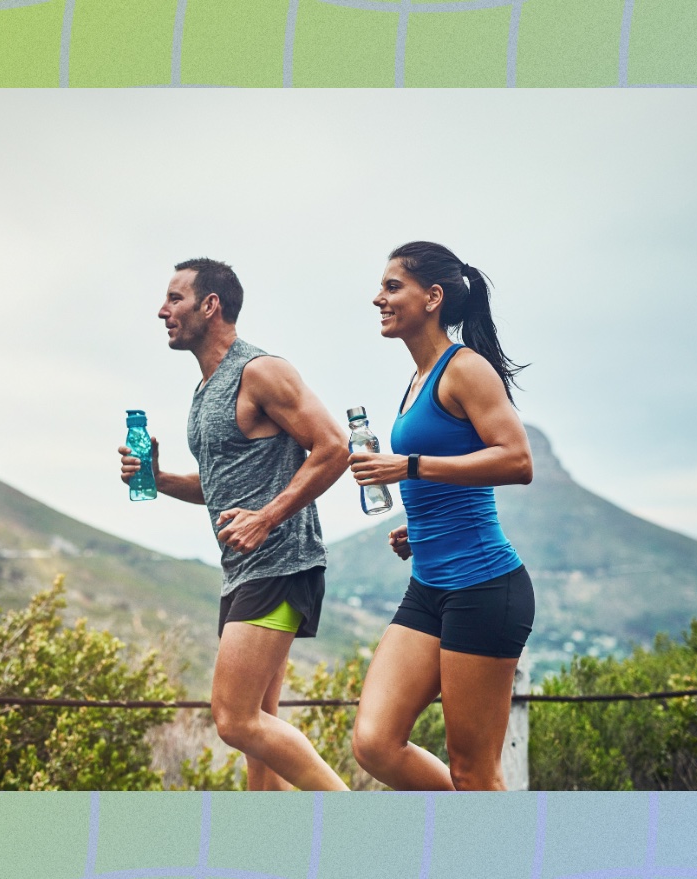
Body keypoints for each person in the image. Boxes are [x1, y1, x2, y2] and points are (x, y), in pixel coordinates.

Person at [119, 257, 349, 791]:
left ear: (210, 305)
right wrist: (160, 478)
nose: (162, 311)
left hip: (279, 562)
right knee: (258, 741)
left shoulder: (260, 371)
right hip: (244, 569)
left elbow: (333, 448)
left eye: (174, 299)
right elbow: (220, 485)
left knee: (234, 719)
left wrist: (268, 518)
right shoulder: (205, 391)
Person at [348, 240, 535, 791]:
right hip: (429, 583)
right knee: (375, 743)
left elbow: (516, 459)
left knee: (475, 770)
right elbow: (455, 467)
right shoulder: (416, 380)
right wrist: (422, 527)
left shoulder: (465, 369)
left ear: (432, 297)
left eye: (391, 287)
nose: (377, 298)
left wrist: (407, 464)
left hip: (483, 588)